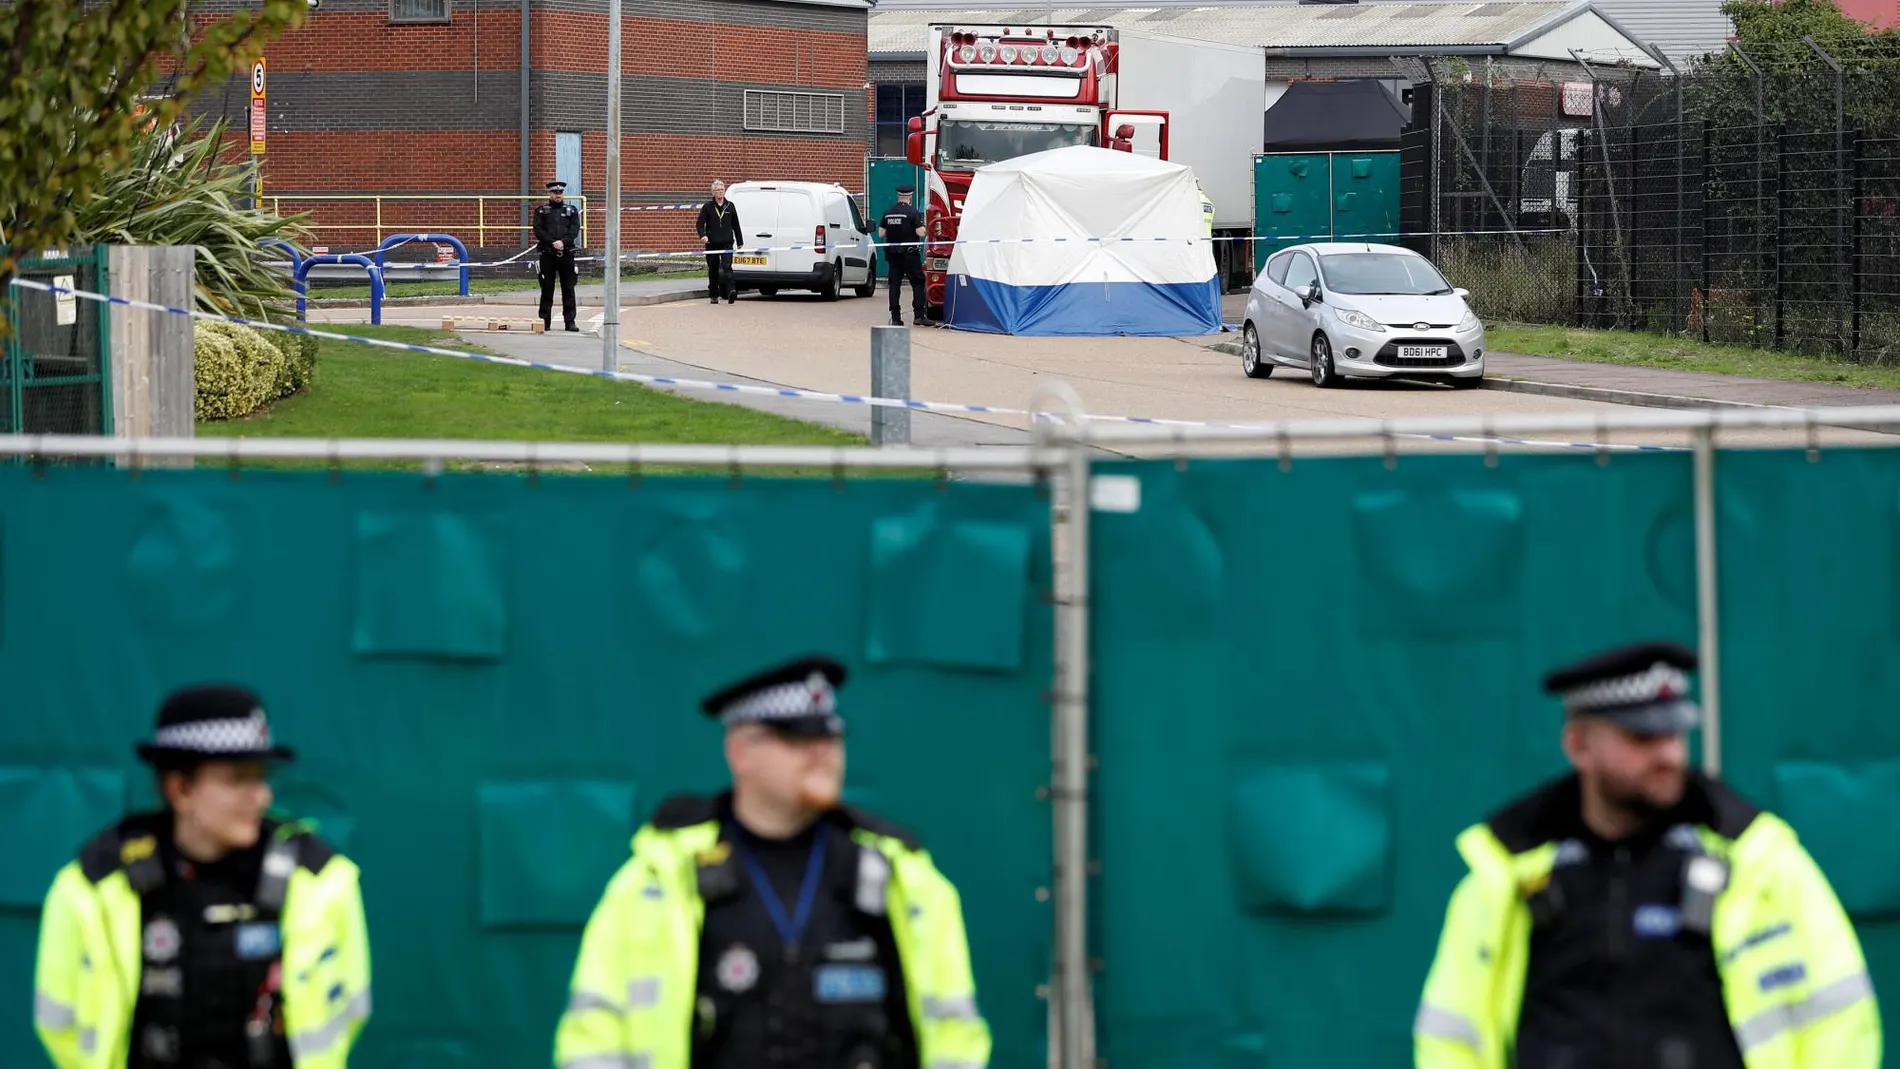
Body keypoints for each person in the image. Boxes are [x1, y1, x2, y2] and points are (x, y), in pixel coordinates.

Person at [1413, 641, 1879, 1069]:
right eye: (1642, 738)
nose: (1668, 755)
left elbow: (1838, 1025)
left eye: (1675, 734)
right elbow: (1450, 1040)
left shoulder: (1760, 864)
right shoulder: (1507, 874)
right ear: (1578, 745)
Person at [554, 654, 991, 1069]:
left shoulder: (901, 875)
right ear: (740, 752)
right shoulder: (660, 878)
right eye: (798, 737)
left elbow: (956, 1042)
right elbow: (595, 1037)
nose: (823, 752)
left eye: (831, 736)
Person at [33, 684, 371, 1069]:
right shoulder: (92, 888)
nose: (260, 796)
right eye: (237, 779)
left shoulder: (319, 881)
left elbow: (347, 1013)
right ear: (180, 789)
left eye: (260, 777)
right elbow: (61, 1025)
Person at [535, 179, 582, 332]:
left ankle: (570, 321)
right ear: (549, 194)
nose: (558, 195)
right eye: (555, 193)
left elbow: (575, 229)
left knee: (568, 288)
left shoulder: (571, 210)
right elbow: (538, 230)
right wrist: (552, 243)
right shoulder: (541, 211)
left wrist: (563, 241)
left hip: (566, 254)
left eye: (560, 193)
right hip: (548, 254)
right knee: (547, 288)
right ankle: (544, 321)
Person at [877, 186, 928, 327]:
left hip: (893, 255)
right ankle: (919, 316)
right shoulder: (912, 212)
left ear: (898, 196)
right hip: (910, 255)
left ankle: (895, 317)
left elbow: (881, 233)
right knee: (918, 283)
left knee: (894, 285)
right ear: (910, 197)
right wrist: (924, 227)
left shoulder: (888, 212)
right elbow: (920, 233)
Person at [696, 180, 744, 306]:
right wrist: (703, 235)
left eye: (722, 189)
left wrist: (740, 241)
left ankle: (731, 291)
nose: (720, 192)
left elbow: (736, 225)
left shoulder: (730, 206)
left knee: (727, 267)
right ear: (713, 192)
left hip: (727, 242)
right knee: (713, 269)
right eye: (717, 190)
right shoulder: (708, 207)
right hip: (712, 243)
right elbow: (700, 223)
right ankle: (713, 294)